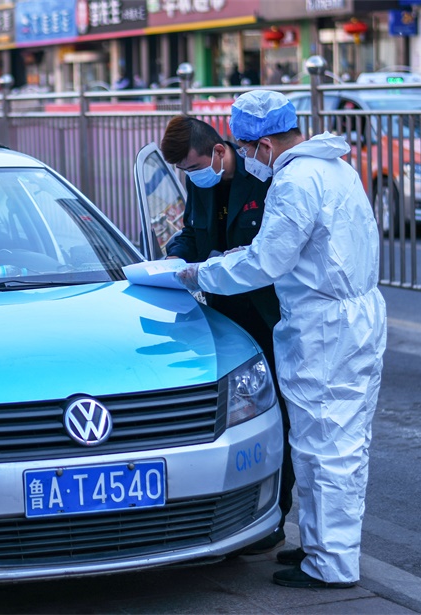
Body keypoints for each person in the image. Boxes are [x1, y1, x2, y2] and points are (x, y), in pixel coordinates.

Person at [176, 90, 387, 589]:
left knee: (329, 446)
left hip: (327, 326)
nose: (247, 158)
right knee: (319, 441)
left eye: (247, 149)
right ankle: (318, 547)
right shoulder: (334, 167)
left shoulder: (295, 181)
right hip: (339, 318)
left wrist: (199, 274)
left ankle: (332, 563)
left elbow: (264, 261)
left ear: (265, 143)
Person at [159, 115, 294, 555]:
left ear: (220, 151)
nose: (193, 176)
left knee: (279, 415)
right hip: (220, 313)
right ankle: (224, 513)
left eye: (195, 166)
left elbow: (268, 256)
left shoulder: (263, 179)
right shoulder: (201, 183)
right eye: (185, 171)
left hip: (265, 313)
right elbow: (192, 237)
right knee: (230, 416)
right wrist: (169, 261)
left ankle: (276, 515)